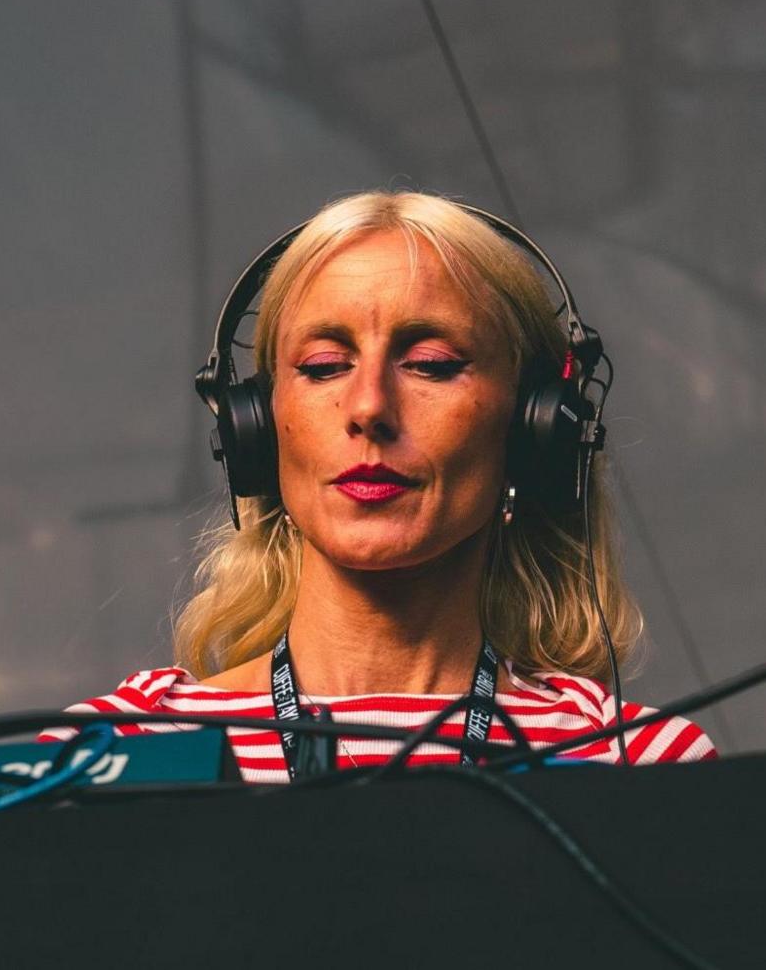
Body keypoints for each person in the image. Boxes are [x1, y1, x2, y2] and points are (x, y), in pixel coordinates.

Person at [43, 191, 714, 782]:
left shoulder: (639, 763)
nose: (369, 406)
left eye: (431, 364)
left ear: (535, 425)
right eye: (324, 365)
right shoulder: (109, 753)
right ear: (258, 426)